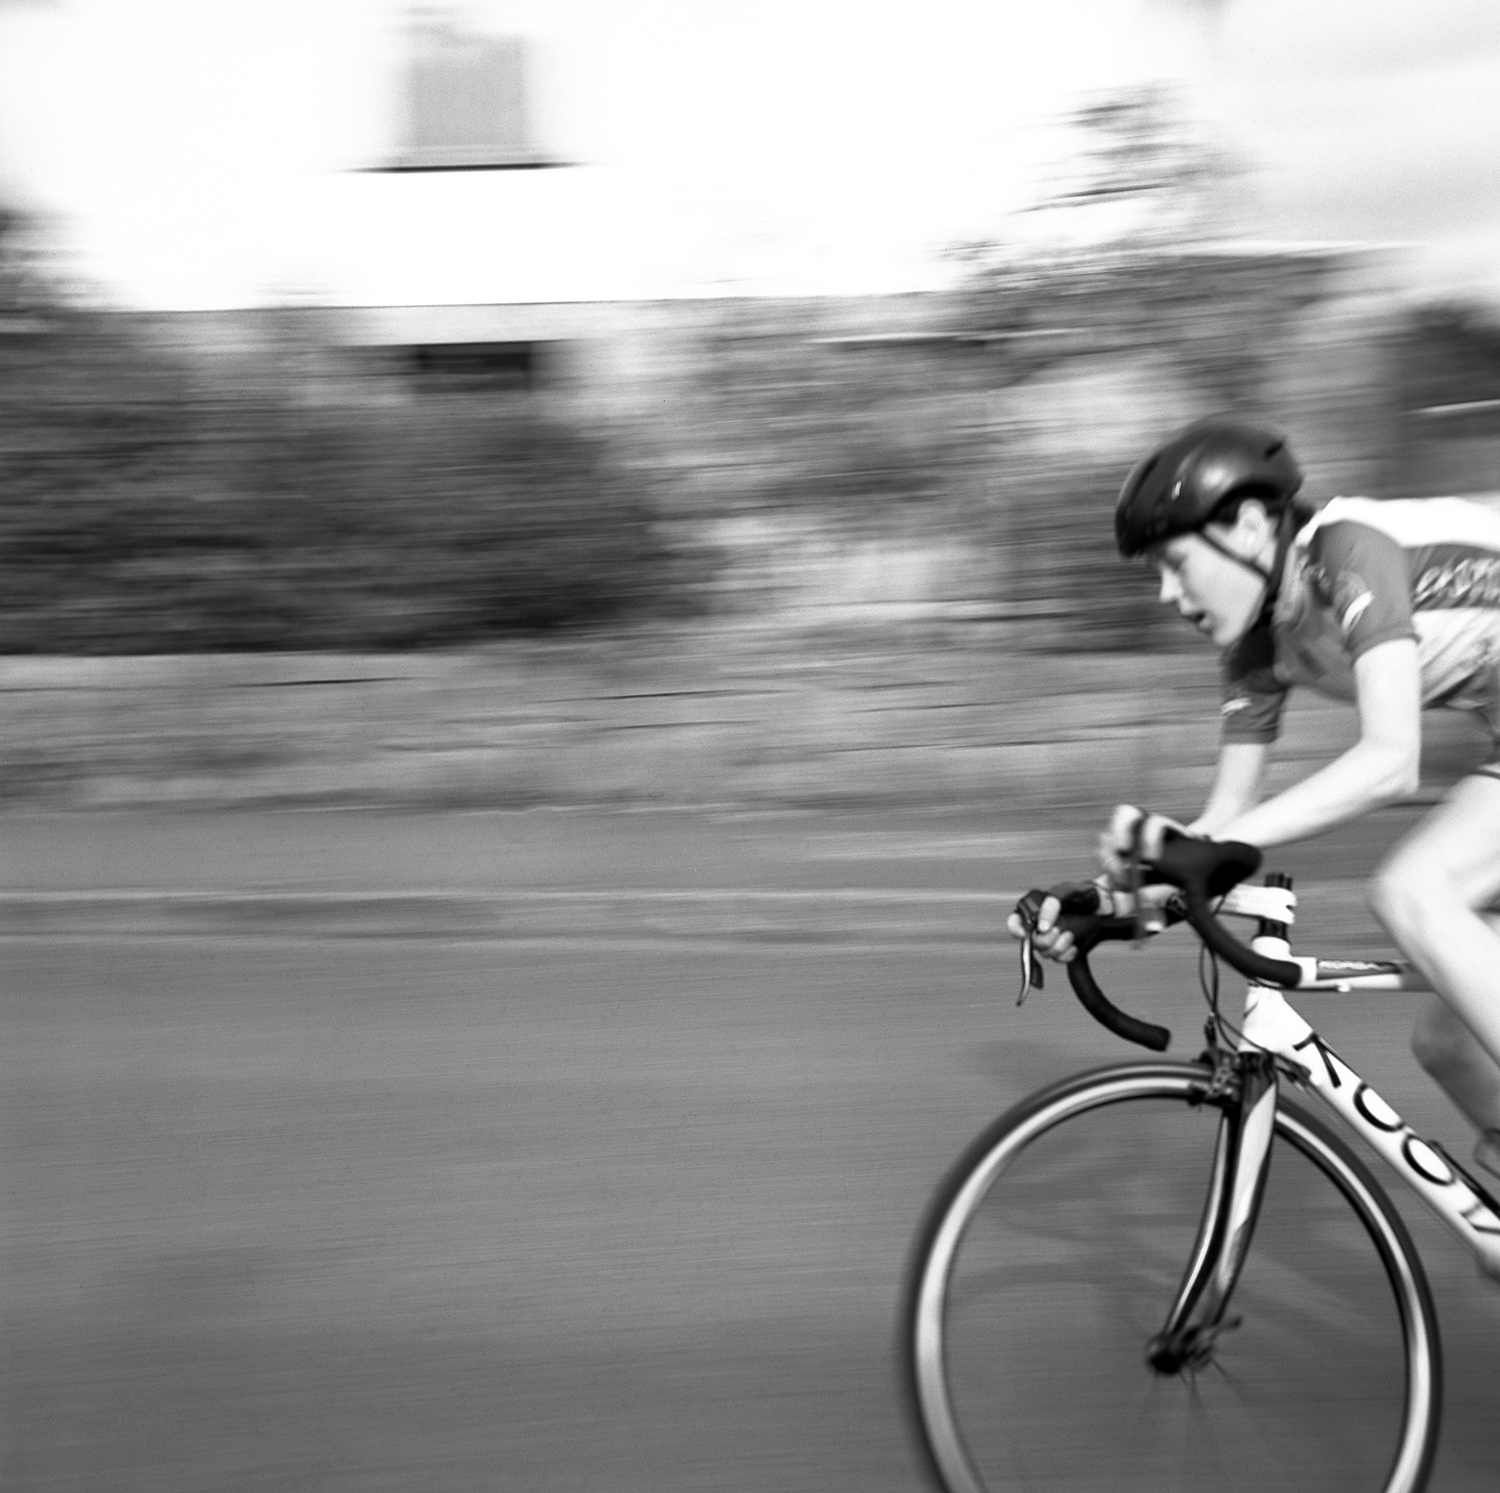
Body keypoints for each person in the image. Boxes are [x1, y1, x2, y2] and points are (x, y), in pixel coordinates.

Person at [1009, 415, 1500, 1182]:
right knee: (1451, 1041)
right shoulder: (1256, 640)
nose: (1169, 593)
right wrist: (1115, 903)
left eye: (1176, 563)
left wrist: (1205, 853)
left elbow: (1390, 760)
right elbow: (1226, 827)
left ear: (1245, 526)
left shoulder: (1349, 552)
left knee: (1413, 889)